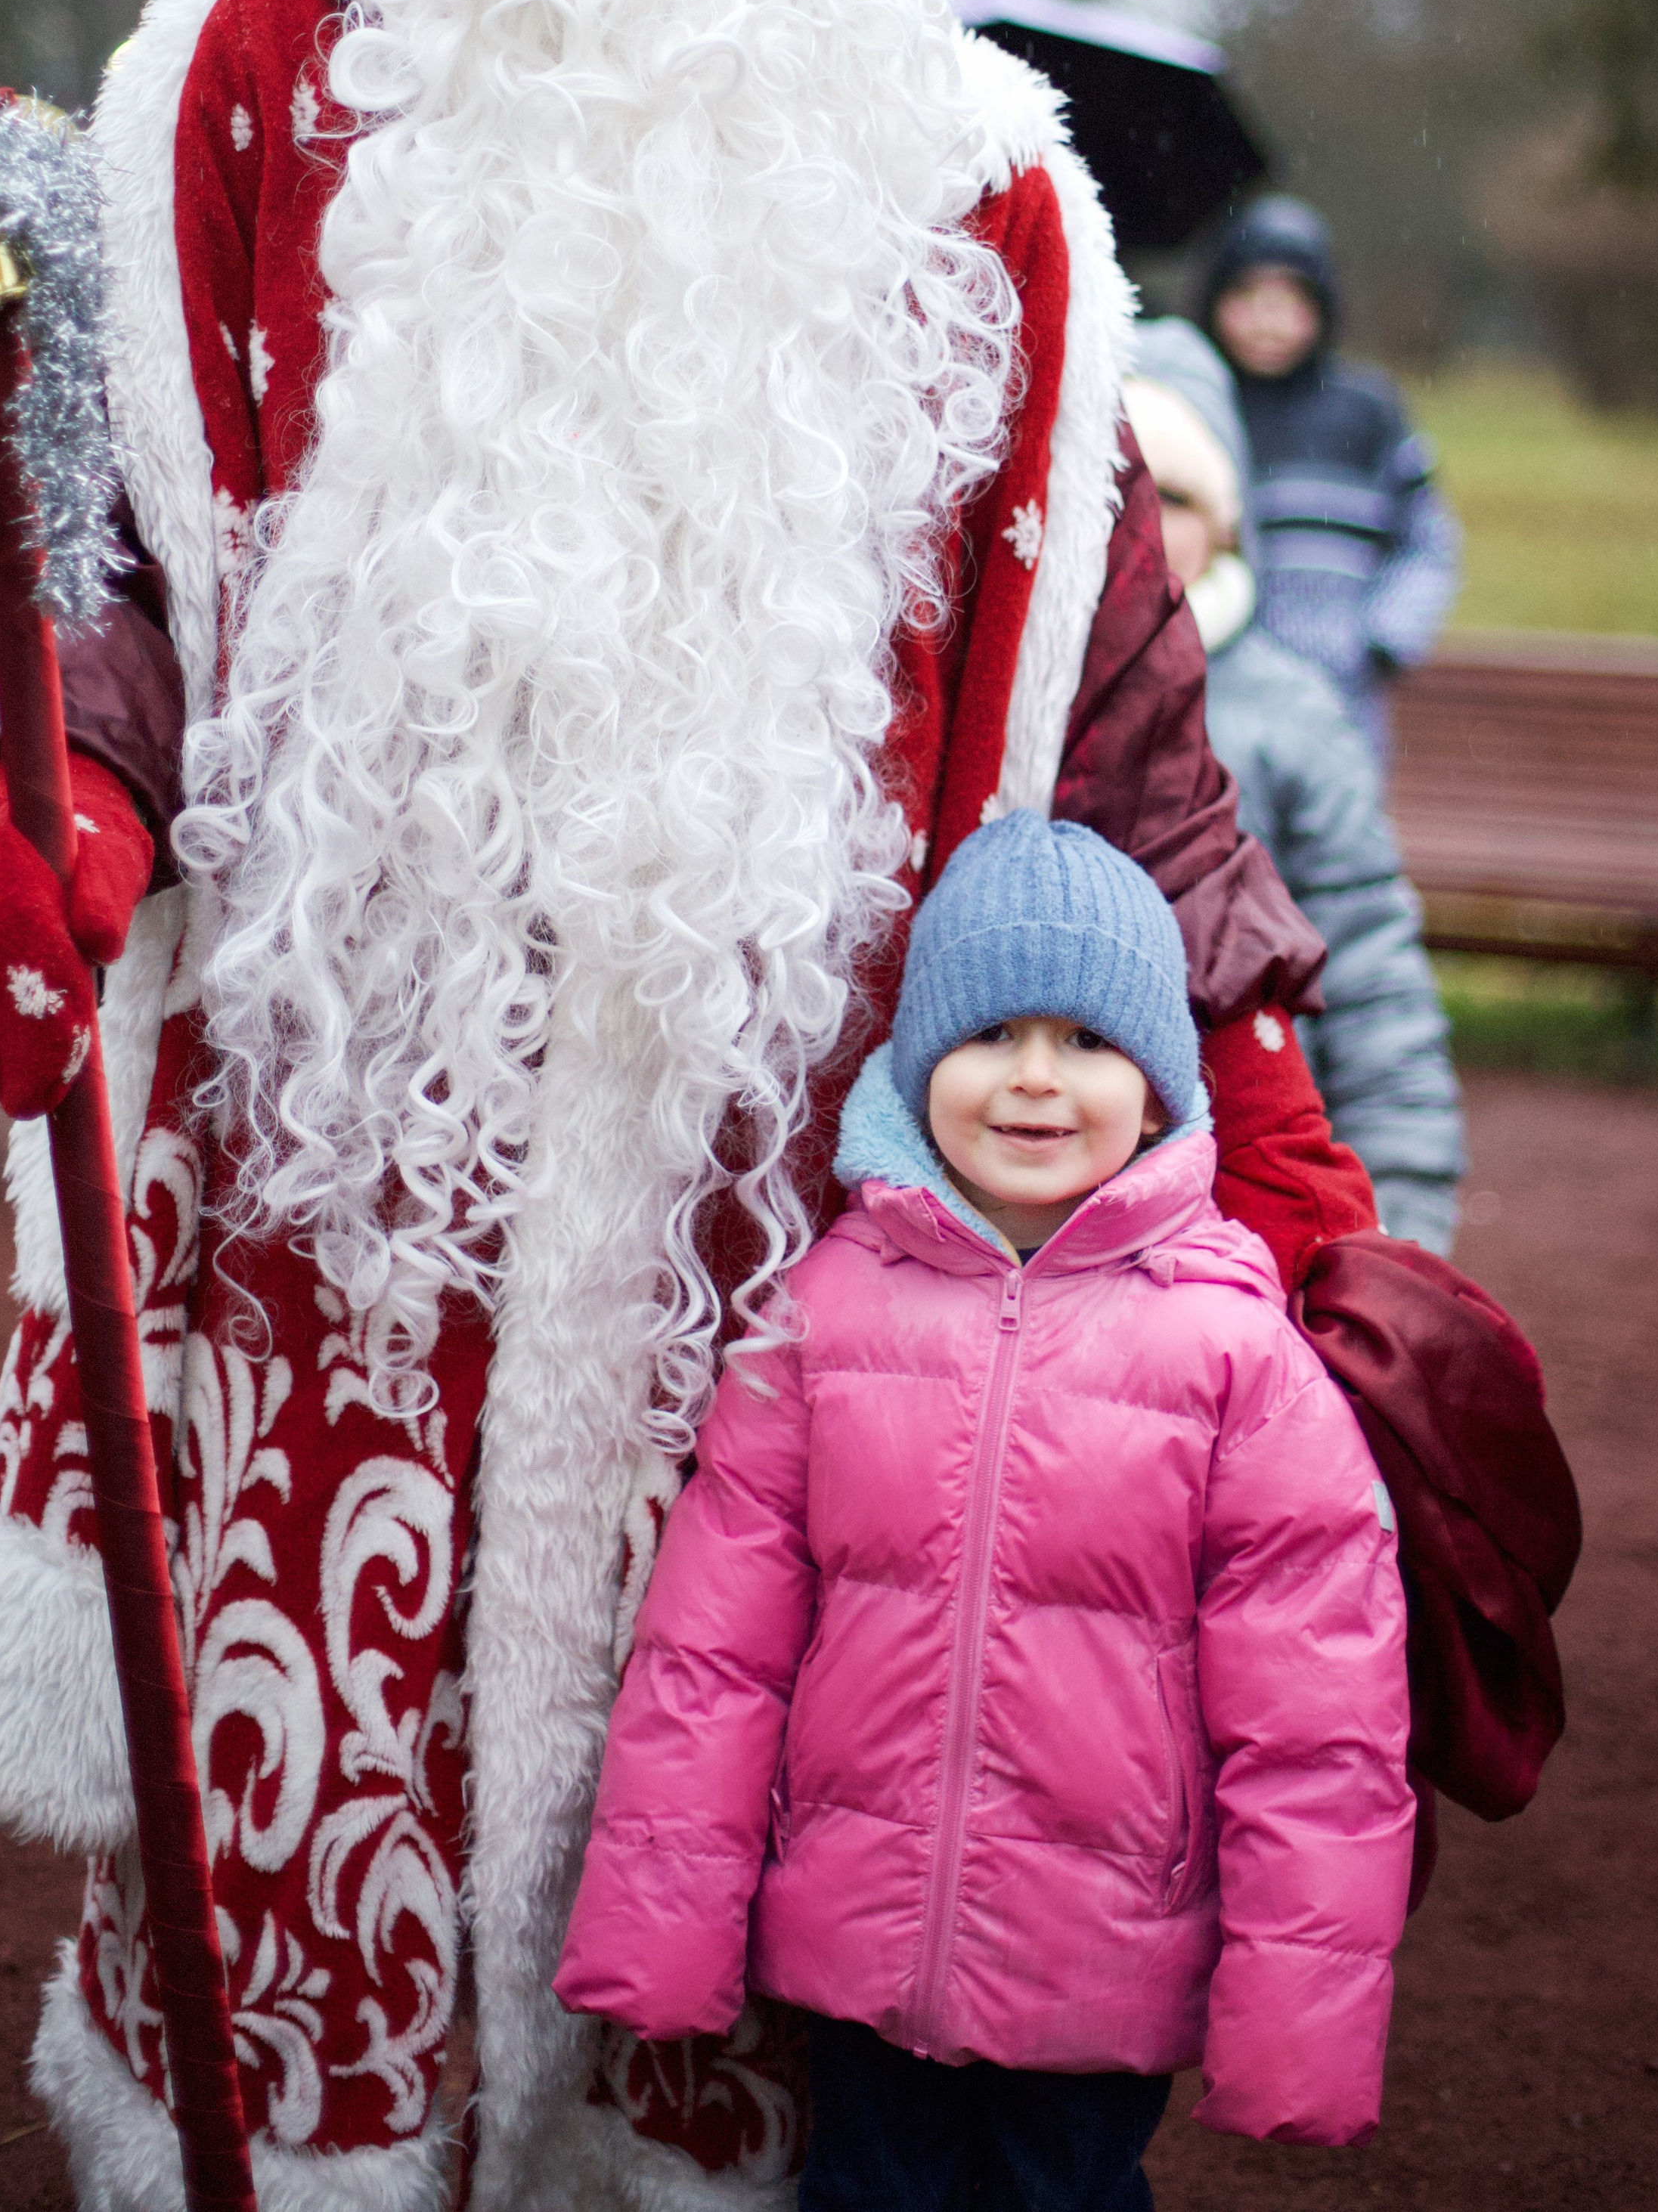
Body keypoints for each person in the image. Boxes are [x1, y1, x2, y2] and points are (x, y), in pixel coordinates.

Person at [0, 0, 1387, 2210]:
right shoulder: (266, 61)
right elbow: (97, 523)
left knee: (697, 1919)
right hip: (320, 1218)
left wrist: (1287, 1170)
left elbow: (1119, 742)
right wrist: (57, 792)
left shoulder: (991, 204)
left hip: (765, 1263)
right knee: (289, 1916)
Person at [555, 810, 1414, 2200]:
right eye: (990, 1034)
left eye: (1086, 1042)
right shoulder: (826, 1314)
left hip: (1100, 1968)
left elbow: (1321, 1722)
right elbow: (711, 1659)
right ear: (917, 1061)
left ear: (1160, 1084)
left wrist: (1297, 2014)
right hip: (859, 1944)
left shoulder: (1234, 1353)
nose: (1033, 1081)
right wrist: (666, 1928)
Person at [1127, 330, 1464, 1257]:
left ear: (1230, 520)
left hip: (1249, 1203)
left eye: (1178, 494)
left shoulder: (1290, 715)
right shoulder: (1012, 706)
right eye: (1116, 487)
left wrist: (1404, 1211)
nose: (1144, 521)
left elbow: (1369, 968)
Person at [1198, 194, 1460, 758]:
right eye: (1246, 296)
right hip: (1217, 700)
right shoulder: (1198, 409)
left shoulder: (1368, 413)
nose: (1267, 319)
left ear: (1322, 307)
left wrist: (1383, 640)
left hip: (1342, 702)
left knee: (1338, 838)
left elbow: (1429, 540)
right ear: (1214, 300)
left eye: (1288, 298)